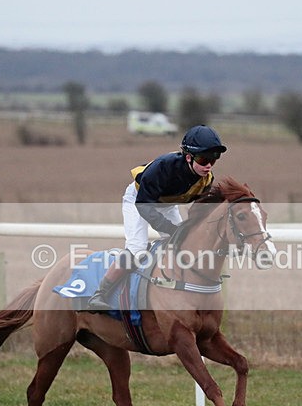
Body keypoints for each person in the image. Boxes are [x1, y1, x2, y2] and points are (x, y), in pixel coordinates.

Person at [86, 125, 227, 311]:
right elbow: (144, 205)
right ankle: (100, 293)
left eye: (213, 160)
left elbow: (199, 212)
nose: (208, 165)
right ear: (188, 157)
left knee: (184, 242)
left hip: (165, 203)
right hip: (138, 200)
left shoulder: (206, 179)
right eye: (203, 159)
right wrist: (170, 229)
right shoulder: (163, 167)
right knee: (137, 249)